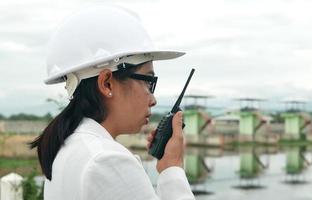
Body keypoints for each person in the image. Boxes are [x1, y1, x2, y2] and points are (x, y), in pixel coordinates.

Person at [30, 5, 195, 200]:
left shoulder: (68, 144)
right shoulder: (108, 161)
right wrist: (173, 168)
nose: (153, 100)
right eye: (149, 82)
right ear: (107, 83)